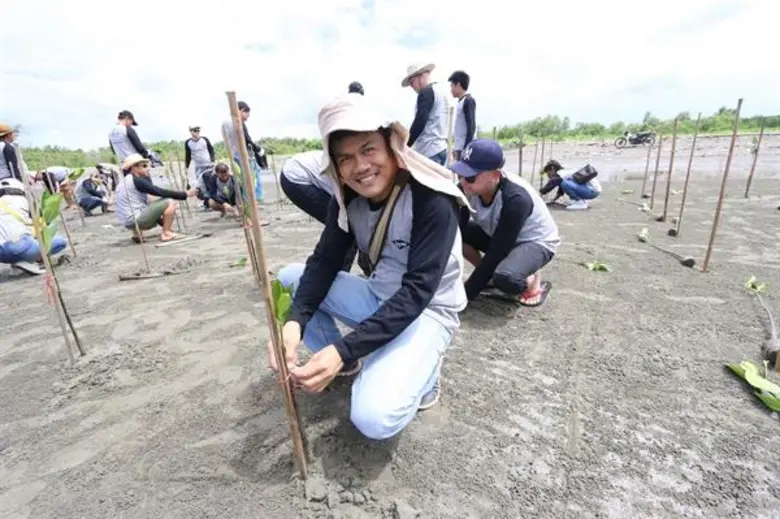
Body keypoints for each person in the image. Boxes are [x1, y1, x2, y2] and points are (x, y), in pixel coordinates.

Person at [269, 94, 470, 440]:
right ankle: (347, 366)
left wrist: (344, 345)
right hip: (379, 296)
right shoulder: (348, 199)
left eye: (368, 149)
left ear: (392, 146)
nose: (360, 166)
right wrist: (294, 321)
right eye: (345, 158)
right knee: (292, 279)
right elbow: (325, 261)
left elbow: (417, 292)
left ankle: (425, 371)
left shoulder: (432, 198)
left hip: (427, 311)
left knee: (373, 420)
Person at [452, 139, 560, 306]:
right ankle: (489, 277)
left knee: (507, 278)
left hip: (534, 242)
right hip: (499, 234)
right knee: (456, 234)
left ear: (494, 175)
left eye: (470, 177)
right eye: (460, 174)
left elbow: (496, 253)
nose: (463, 182)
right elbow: (456, 228)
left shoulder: (516, 199)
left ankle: (532, 279)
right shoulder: (466, 188)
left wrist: (465, 296)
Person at [279, 149, 365, 274]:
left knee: (350, 228)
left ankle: (339, 274)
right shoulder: (357, 178)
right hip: (296, 177)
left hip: (303, 168)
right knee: (346, 228)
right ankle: (337, 276)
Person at [114, 153, 197, 242]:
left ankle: (137, 234)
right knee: (170, 202)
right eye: (144, 166)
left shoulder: (124, 182)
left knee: (150, 202)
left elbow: (150, 201)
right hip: (136, 220)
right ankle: (166, 233)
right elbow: (158, 191)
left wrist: (163, 220)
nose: (148, 168)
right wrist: (185, 194)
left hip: (127, 222)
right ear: (134, 167)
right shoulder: (136, 180)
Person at [0, 178, 67, 275]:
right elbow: (34, 228)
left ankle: (17, 263)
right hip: (19, 248)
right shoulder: (22, 201)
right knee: (60, 242)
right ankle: (28, 261)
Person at [401, 63, 450, 166]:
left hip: (429, 150)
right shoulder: (440, 92)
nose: (411, 86)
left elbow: (420, 120)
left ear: (421, 76)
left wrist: (406, 144)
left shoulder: (426, 93)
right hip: (441, 148)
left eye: (412, 81)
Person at [222, 101, 265, 203]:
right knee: (252, 177)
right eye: (247, 114)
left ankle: (246, 199)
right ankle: (256, 199)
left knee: (241, 179)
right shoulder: (238, 122)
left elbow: (226, 140)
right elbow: (247, 139)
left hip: (234, 155)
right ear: (241, 111)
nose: (247, 117)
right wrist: (258, 149)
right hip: (244, 156)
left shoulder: (225, 123)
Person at [448, 70, 477, 161]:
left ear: (458, 85)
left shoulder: (468, 101)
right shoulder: (461, 102)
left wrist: (466, 149)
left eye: (452, 86)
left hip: (466, 149)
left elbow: (471, 126)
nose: (451, 89)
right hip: (460, 148)